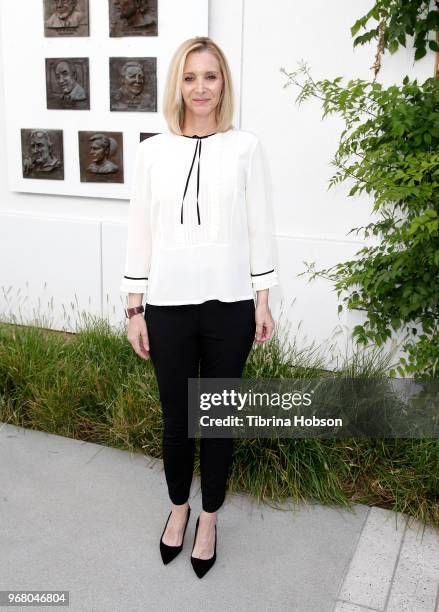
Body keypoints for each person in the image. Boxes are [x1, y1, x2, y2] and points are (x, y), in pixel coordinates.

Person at [120, 36, 278, 579]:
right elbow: (140, 229)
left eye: (210, 76)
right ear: (177, 85)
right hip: (166, 308)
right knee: (177, 421)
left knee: (217, 420)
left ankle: (209, 517)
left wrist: (262, 300)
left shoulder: (245, 148)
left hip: (230, 307)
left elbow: (260, 226)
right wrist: (134, 308)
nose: (200, 87)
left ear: (223, 84)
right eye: (190, 77)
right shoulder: (151, 152)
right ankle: (178, 508)